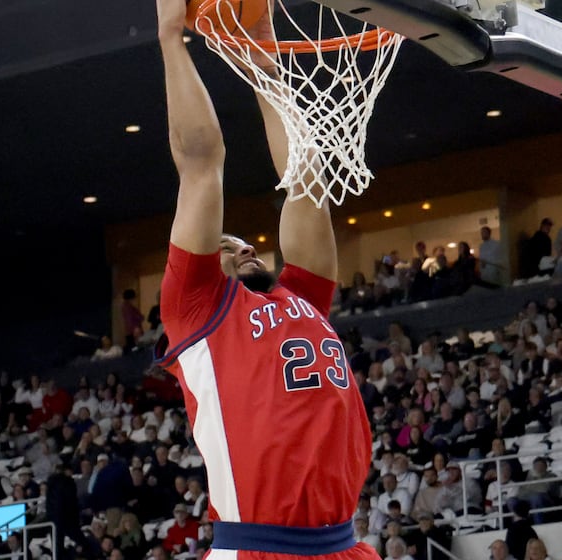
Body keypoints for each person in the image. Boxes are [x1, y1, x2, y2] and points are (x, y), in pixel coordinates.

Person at [155, 1, 376, 556]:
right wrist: (169, 40)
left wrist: (264, 65)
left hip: (343, 546)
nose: (247, 247)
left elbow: (305, 179)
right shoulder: (198, 307)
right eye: (229, 246)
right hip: (258, 547)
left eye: (250, 245)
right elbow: (202, 163)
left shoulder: (303, 296)